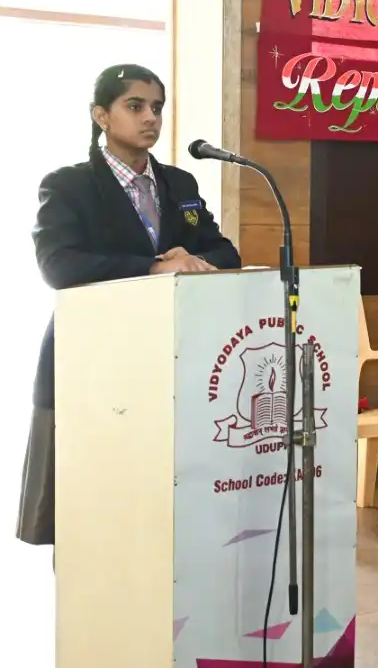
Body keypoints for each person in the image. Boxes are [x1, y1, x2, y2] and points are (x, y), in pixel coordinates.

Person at [19, 64, 240, 549]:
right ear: (101, 115)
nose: (150, 118)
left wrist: (195, 260)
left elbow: (226, 252)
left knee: (161, 515)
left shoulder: (179, 184)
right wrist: (153, 267)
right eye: (135, 106)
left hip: (173, 363)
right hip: (94, 363)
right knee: (91, 515)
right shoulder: (69, 185)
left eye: (157, 107)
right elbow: (59, 266)